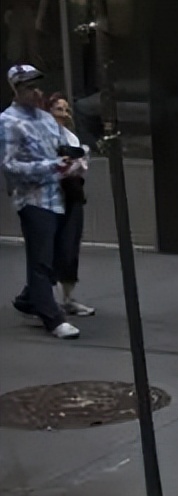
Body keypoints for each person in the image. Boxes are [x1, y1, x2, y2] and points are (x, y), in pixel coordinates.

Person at [1, 64, 80, 339]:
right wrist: (50, 166)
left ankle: (31, 297)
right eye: (28, 87)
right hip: (33, 197)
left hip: (60, 193)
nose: (35, 92)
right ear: (16, 90)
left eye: (36, 86)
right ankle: (52, 317)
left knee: (60, 253)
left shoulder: (45, 119)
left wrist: (72, 158)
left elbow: (60, 145)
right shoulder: (9, 122)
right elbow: (9, 165)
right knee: (41, 257)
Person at [45, 91, 95, 318]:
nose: (63, 114)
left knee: (70, 246)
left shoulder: (71, 137)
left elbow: (81, 165)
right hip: (51, 194)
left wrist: (76, 161)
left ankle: (68, 298)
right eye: (59, 109)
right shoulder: (44, 136)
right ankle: (47, 298)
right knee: (51, 247)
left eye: (66, 110)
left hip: (72, 193)